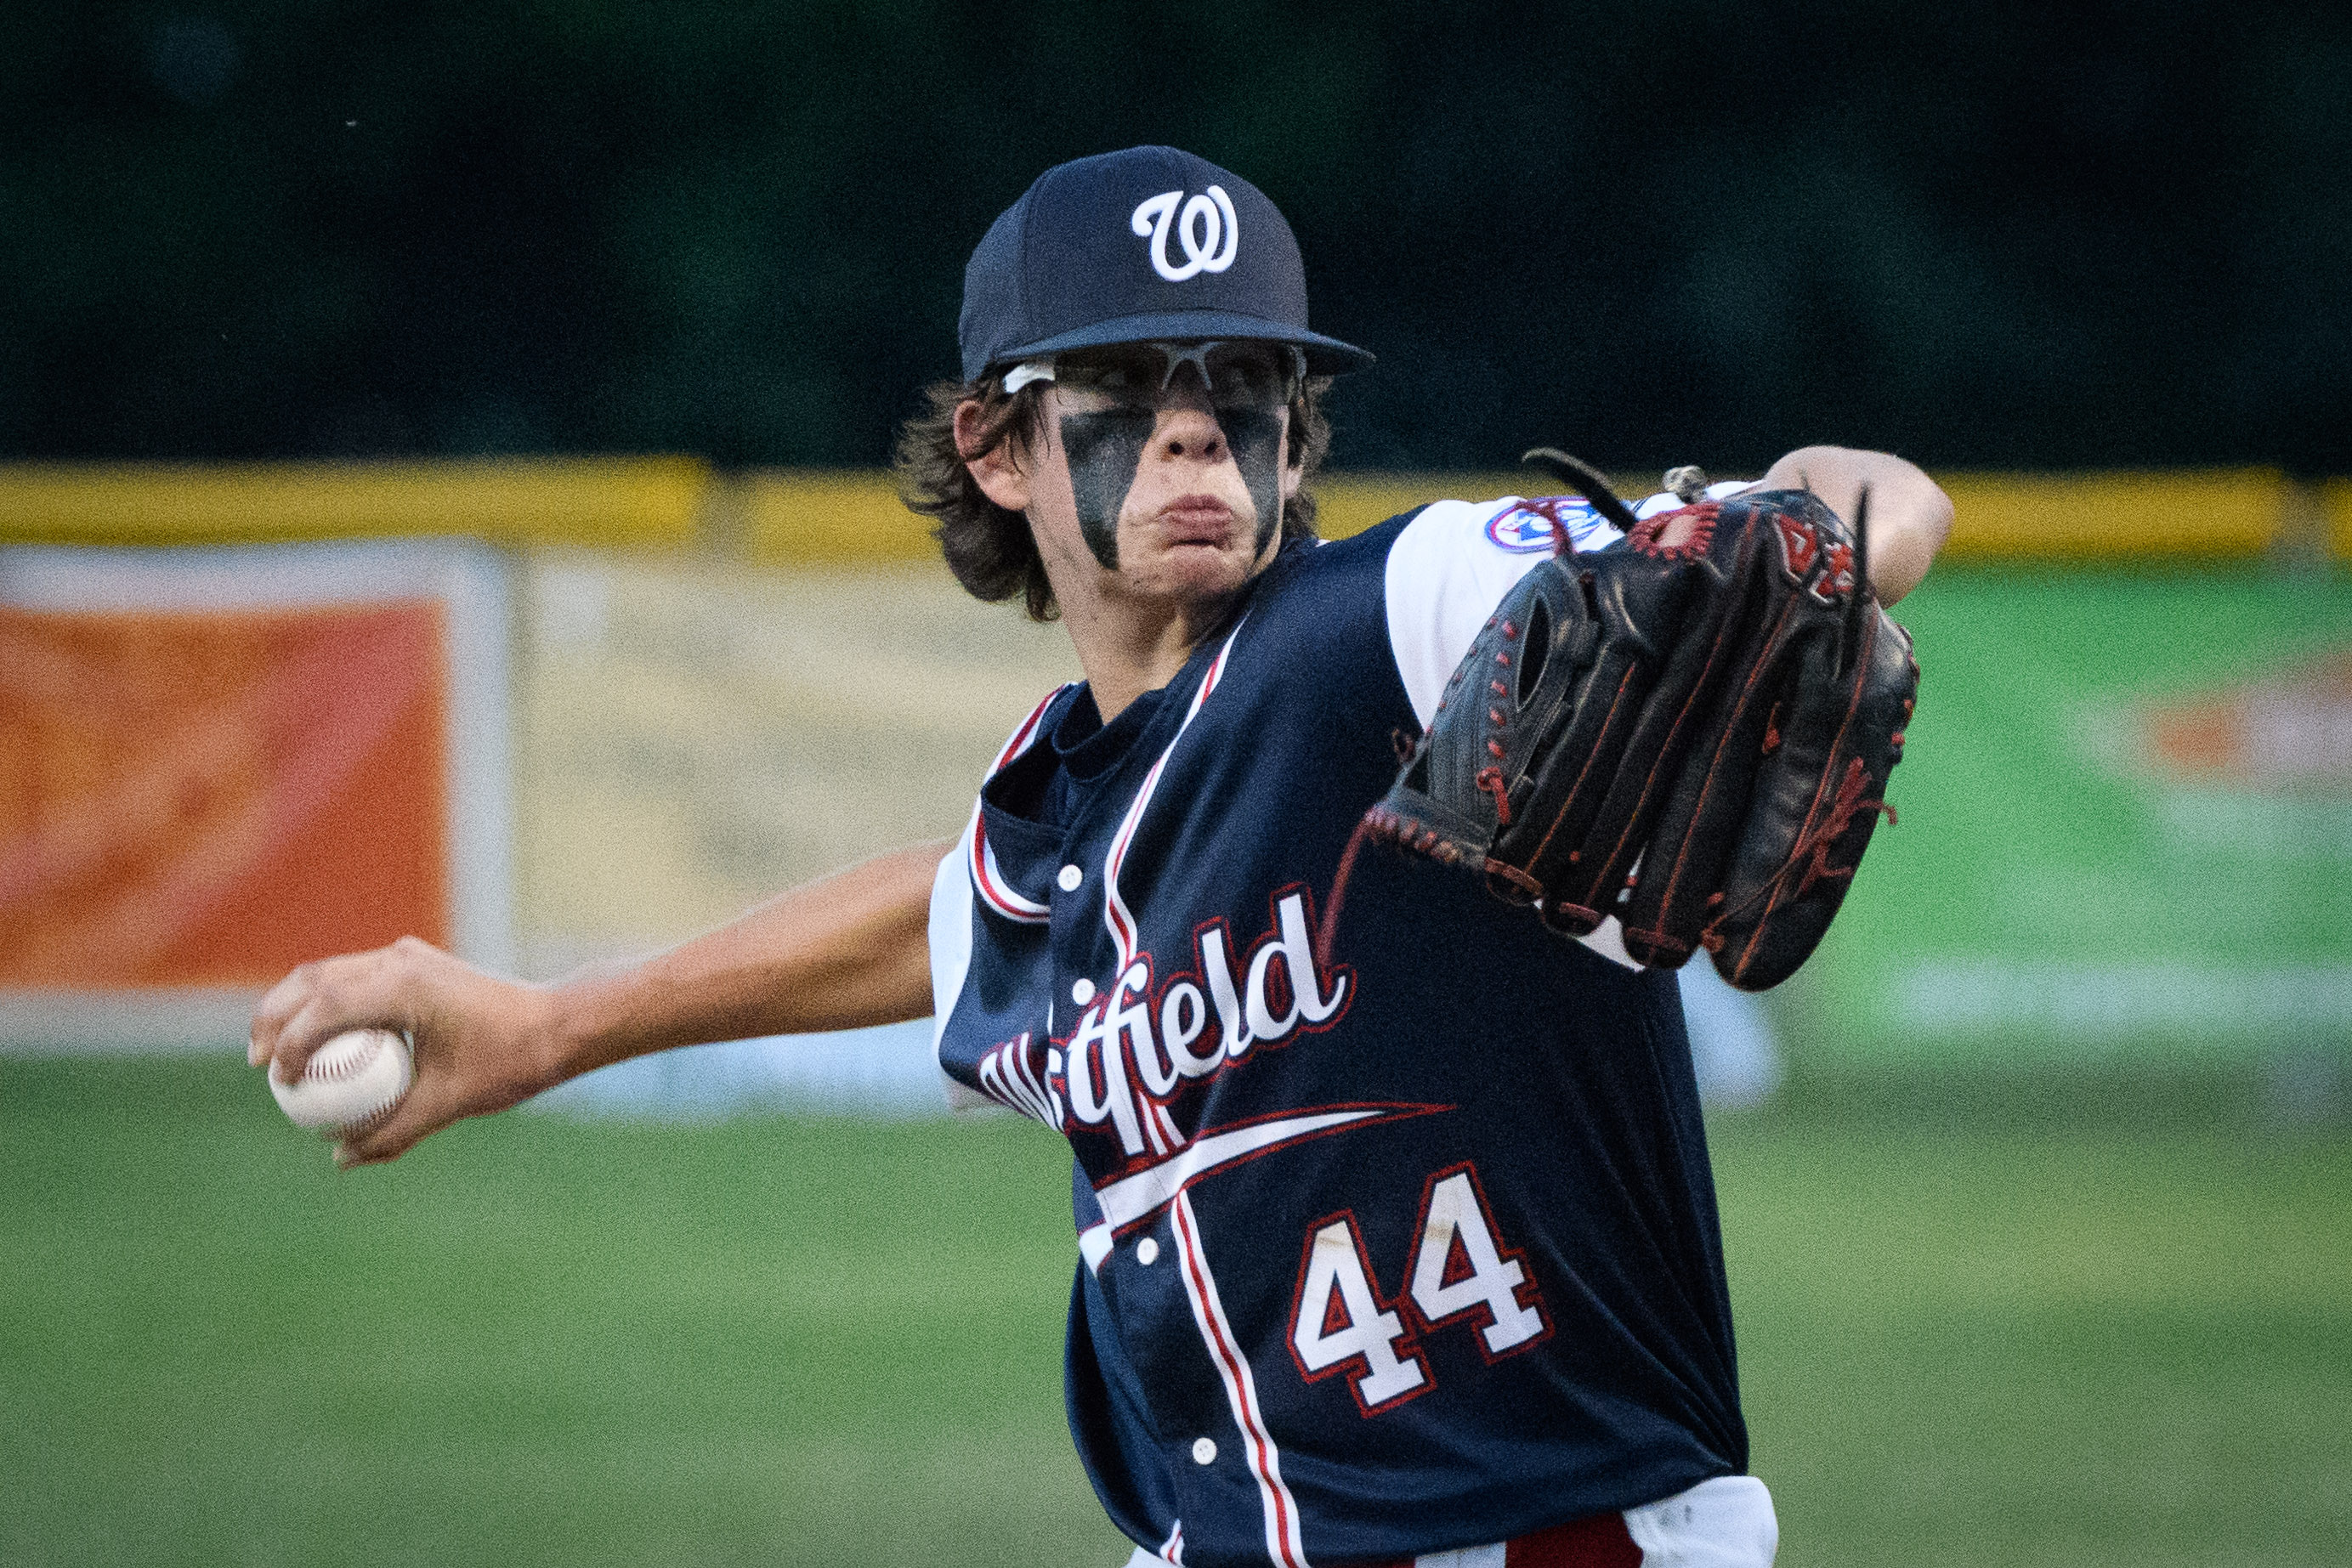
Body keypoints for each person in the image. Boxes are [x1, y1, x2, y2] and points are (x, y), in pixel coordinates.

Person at [251, 145, 1952, 1568]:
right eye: (1126, 392)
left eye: (1244, 389)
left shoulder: (1402, 615)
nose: (1198, 434)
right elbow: (945, 917)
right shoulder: (1057, 810)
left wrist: (1835, 512)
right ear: (996, 446)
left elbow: (1813, 535)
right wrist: (544, 1028)